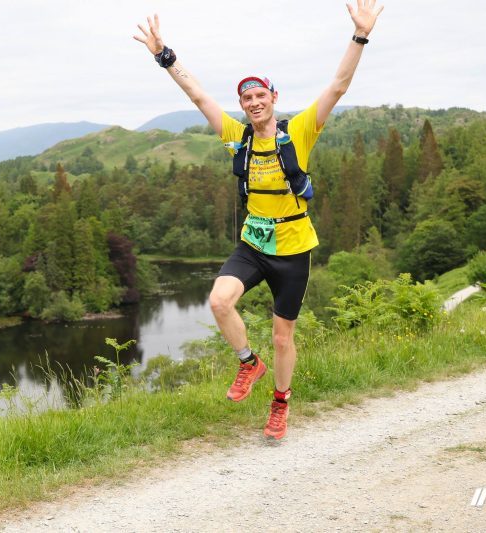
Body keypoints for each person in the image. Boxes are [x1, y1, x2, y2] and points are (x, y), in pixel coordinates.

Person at [134, 1, 383, 439]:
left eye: (259, 96)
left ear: (273, 98)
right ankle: (249, 363)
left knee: (284, 336)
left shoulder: (300, 131)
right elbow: (199, 96)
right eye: (246, 98)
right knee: (218, 301)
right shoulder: (237, 138)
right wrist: (164, 56)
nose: (253, 103)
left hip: (293, 247)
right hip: (253, 244)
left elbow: (338, 87)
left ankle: (280, 403)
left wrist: (360, 36)